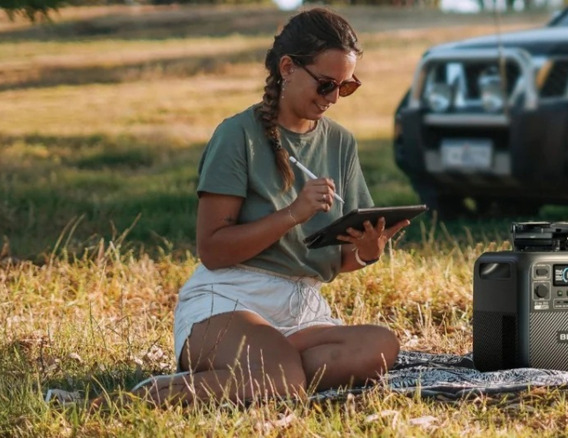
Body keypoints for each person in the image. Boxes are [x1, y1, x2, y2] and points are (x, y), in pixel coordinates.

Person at [130, 8, 409, 406]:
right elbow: (213, 250)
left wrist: (366, 253)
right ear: (288, 67)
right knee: (283, 378)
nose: (332, 98)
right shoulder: (236, 135)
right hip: (230, 299)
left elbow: (342, 255)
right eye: (327, 84)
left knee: (381, 346)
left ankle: (258, 373)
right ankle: (154, 395)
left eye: (346, 88)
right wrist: (293, 213)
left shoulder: (341, 143)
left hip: (302, 310)